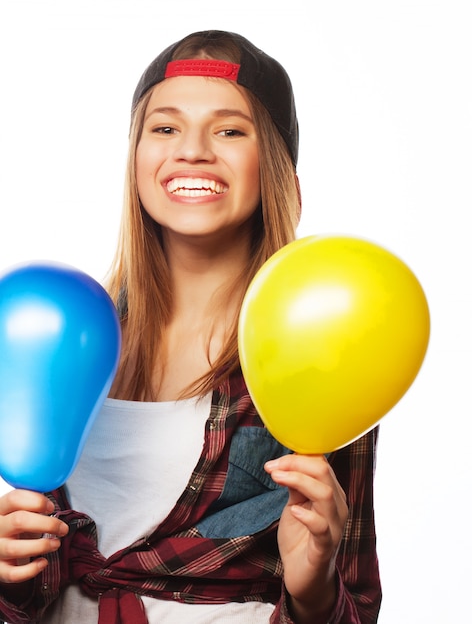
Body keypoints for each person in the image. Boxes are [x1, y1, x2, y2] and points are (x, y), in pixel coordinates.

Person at [0, 30, 381, 623]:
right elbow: (30, 595)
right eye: (165, 128)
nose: (193, 152)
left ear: (274, 165)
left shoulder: (319, 350)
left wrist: (314, 590)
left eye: (230, 130)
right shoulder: (69, 335)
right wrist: (10, 568)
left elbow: (352, 607)